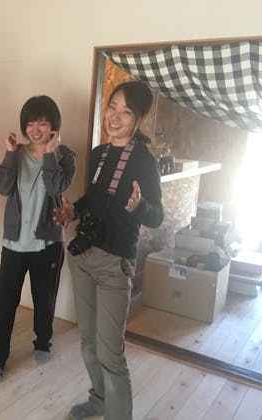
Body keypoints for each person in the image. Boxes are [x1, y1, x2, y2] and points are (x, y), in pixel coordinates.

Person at [54, 81, 164, 420]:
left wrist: (139, 206)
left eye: (125, 112)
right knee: (88, 342)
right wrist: (74, 210)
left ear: (139, 119)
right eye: (112, 107)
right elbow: (96, 198)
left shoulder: (144, 161)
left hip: (115, 264)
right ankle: (99, 399)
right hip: (84, 256)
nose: (114, 117)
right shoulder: (100, 153)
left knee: (110, 353)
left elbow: (157, 216)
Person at [0, 95, 76, 384]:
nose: (35, 130)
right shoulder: (17, 153)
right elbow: (1, 187)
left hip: (47, 244)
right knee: (4, 304)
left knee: (44, 300)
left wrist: (49, 153)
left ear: (54, 126)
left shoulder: (65, 157)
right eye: (30, 123)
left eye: (42, 123)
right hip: (14, 243)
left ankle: (42, 343)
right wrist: (9, 153)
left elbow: (56, 186)